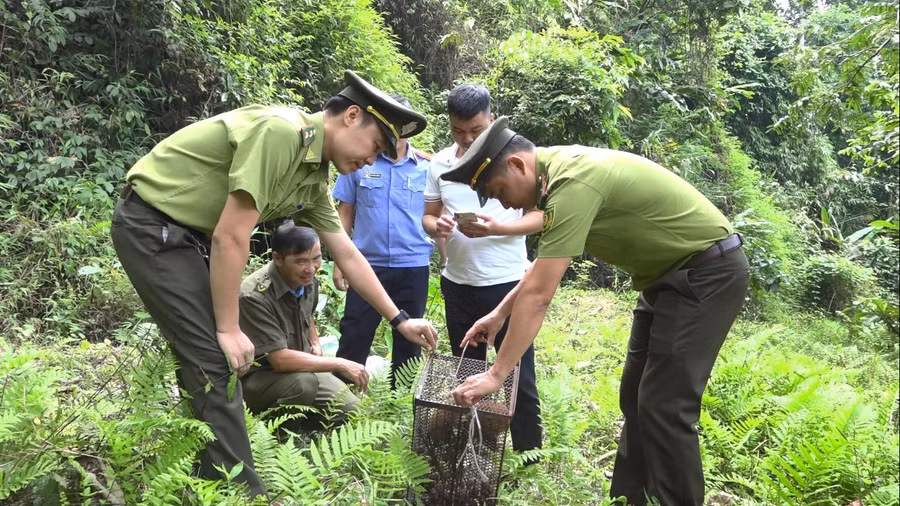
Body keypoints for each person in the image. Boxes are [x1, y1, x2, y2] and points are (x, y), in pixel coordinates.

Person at [110, 70, 438, 497]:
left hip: (191, 238)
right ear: (352, 116)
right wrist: (229, 329)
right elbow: (233, 235)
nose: (372, 161)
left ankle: (203, 467)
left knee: (206, 359)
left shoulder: (313, 176)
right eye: (376, 147)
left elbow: (348, 253)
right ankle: (242, 493)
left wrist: (399, 320)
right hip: (154, 226)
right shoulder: (282, 133)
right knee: (214, 356)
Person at [446, 117, 749, 506]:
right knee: (636, 396)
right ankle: (627, 500)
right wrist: (500, 313)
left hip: (706, 273)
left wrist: (497, 374)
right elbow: (543, 267)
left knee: (665, 405)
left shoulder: (572, 183)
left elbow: (540, 295)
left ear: (518, 165)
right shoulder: (555, 176)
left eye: (500, 190)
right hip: (664, 279)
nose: (505, 204)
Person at [422, 84, 543, 452]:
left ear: (492, 120)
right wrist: (436, 227)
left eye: (476, 130)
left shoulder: (517, 160)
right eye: (459, 131)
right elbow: (427, 217)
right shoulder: (440, 164)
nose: (467, 138)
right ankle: (473, 444)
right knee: (468, 367)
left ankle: (528, 451)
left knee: (517, 370)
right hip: (458, 282)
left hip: (507, 282)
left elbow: (543, 217)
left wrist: (499, 228)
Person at [331, 94, 433, 384]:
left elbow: (436, 215)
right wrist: (340, 261)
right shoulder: (360, 159)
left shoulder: (427, 166)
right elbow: (345, 211)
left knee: (409, 340)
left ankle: (399, 403)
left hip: (412, 266)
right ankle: (340, 400)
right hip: (365, 263)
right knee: (355, 331)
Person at [239, 223, 367, 428]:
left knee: (352, 412)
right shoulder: (254, 296)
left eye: (316, 258)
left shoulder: (307, 280)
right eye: (301, 261)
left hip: (301, 367)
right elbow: (279, 360)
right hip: (261, 377)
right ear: (278, 258)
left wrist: (314, 341)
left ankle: (306, 421)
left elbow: (307, 316)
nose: (311, 268)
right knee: (304, 385)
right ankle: (278, 433)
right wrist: (340, 363)